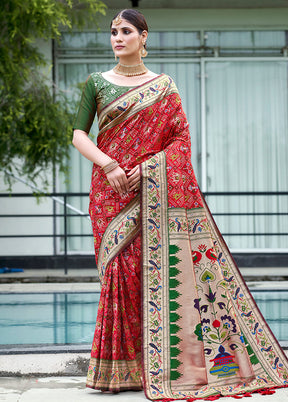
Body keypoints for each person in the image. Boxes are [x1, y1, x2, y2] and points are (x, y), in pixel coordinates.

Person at [72, 8, 288, 401]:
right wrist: (108, 163)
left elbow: (180, 142)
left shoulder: (165, 86)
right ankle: (117, 371)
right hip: (109, 190)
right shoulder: (96, 84)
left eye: (125, 31)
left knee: (152, 272)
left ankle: (160, 367)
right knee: (119, 271)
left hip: (151, 191)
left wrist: (148, 168)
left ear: (144, 36)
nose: (117, 38)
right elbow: (78, 135)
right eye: (113, 32)